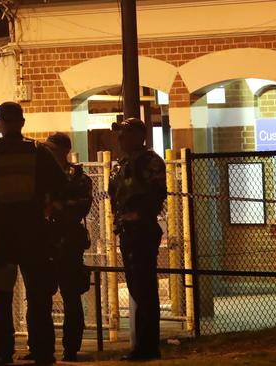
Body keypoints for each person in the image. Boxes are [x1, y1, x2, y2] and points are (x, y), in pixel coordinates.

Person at [0, 102, 66, 365]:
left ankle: (2, 349)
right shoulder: (39, 152)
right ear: (22, 122)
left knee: (1, 294)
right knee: (38, 294)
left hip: (3, 235)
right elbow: (61, 183)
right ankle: (43, 350)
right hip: (34, 233)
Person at [22, 133, 93, 362]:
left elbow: (80, 207)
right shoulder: (38, 176)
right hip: (42, 242)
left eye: (52, 149)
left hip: (69, 242)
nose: (47, 153)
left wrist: (55, 207)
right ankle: (39, 347)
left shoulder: (78, 177)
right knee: (38, 297)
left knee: (71, 296)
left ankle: (71, 348)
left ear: (64, 151)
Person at [108, 118, 167, 361]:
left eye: (124, 133)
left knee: (144, 290)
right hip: (128, 231)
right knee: (137, 289)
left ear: (137, 135)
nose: (119, 138)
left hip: (142, 229)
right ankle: (143, 346)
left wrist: (140, 214)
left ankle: (147, 347)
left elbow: (157, 193)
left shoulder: (149, 161)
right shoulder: (123, 164)